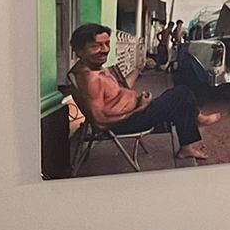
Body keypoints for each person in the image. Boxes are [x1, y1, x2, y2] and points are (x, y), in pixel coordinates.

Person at [67, 22, 219, 164]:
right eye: (96, 46)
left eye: (106, 44)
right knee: (181, 94)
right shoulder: (90, 79)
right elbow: (100, 121)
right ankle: (197, 119)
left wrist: (138, 100)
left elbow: (111, 99)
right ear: (79, 50)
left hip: (135, 112)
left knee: (180, 98)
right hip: (128, 122)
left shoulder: (93, 68)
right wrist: (140, 107)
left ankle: (188, 142)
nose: (105, 50)